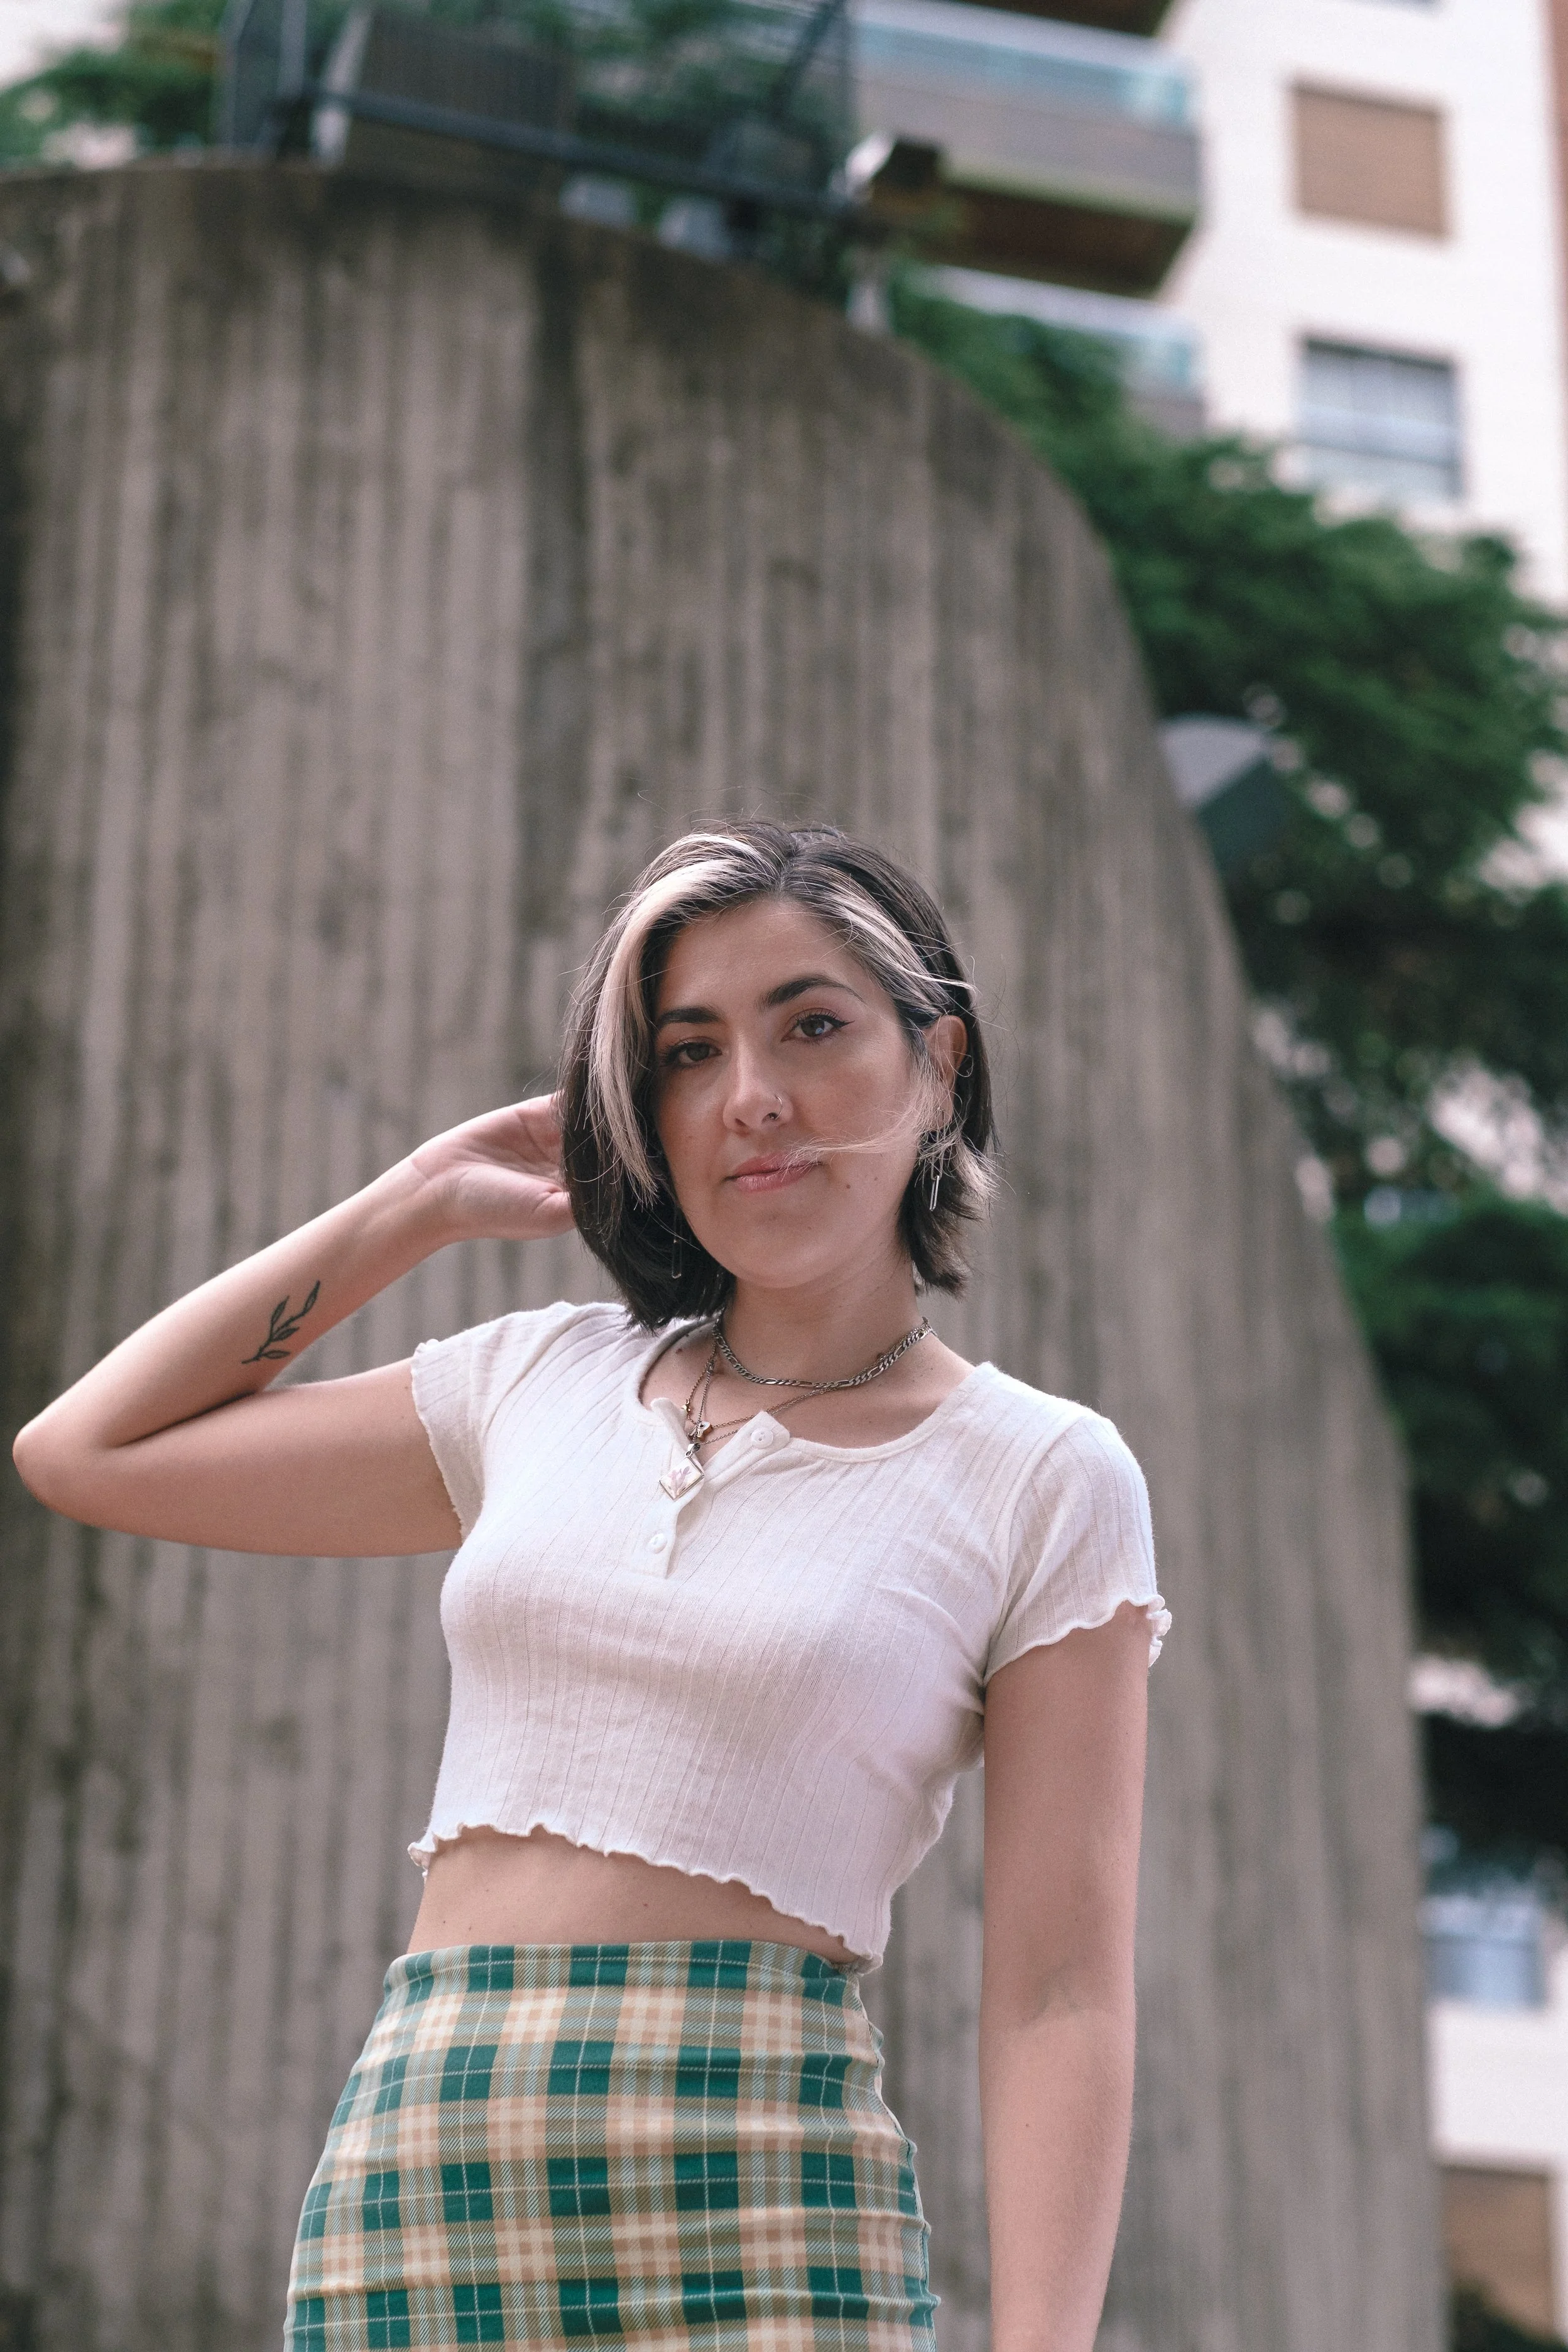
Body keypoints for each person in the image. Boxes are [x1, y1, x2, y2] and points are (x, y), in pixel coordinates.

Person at [14, 818, 1168, 2352]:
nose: (751, 1099)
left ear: (938, 1063)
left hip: (765, 2203)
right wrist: (412, 1205)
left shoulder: (1041, 1475)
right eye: (687, 1054)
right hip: (417, 2192)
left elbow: (1060, 1993)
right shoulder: (537, 1382)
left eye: (812, 1027)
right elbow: (84, 1448)